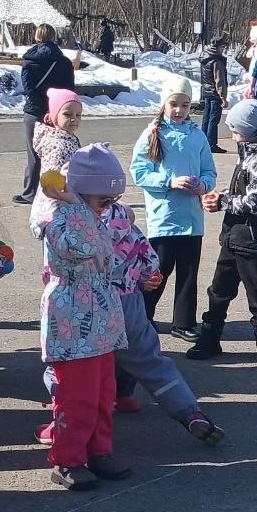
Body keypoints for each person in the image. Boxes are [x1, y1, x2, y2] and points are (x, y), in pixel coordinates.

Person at [40, 143, 129, 490]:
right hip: (72, 320)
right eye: (103, 200)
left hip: (100, 320)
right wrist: (75, 205)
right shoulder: (60, 219)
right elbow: (81, 247)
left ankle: (99, 450)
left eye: (111, 201)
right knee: (77, 396)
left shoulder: (91, 216)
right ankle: (68, 458)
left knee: (104, 393)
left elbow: (107, 253)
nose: (107, 207)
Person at [98, 199, 226, 442]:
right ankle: (189, 412)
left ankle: (66, 422)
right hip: (129, 302)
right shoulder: (125, 222)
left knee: (73, 364)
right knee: (150, 361)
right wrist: (143, 277)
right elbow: (151, 262)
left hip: (89, 304)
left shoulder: (76, 222)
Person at [186, 99, 257, 364]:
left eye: (234, 129)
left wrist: (222, 202)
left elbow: (256, 202)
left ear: (249, 131)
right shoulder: (250, 152)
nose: (231, 135)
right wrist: (223, 195)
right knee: (219, 289)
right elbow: (242, 190)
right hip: (234, 236)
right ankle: (210, 337)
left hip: (254, 240)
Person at [131, 76, 216, 342]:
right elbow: (139, 172)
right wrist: (169, 182)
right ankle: (142, 317)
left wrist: (202, 185)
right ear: (164, 104)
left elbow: (209, 171)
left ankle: (184, 322)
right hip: (164, 218)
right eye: (174, 104)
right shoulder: (152, 133)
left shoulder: (197, 136)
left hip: (192, 219)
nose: (179, 110)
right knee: (157, 271)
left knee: (189, 274)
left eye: (185, 104)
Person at [15, 23, 75, 204]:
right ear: (53, 36)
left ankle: (30, 193)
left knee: (34, 153)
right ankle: (57, 189)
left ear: (37, 36)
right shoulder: (64, 62)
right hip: (57, 112)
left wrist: (40, 103)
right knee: (58, 151)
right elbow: (69, 89)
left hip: (34, 111)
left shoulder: (29, 61)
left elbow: (29, 89)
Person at [28, 88, 84, 234]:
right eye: (67, 114)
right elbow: (51, 180)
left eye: (78, 115)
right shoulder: (58, 145)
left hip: (63, 202)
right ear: (54, 115)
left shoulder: (66, 137)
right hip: (55, 208)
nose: (74, 119)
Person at [199, 35, 229, 153]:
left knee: (206, 118)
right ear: (218, 47)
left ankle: (203, 142)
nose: (223, 50)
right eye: (223, 47)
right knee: (213, 120)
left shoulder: (205, 57)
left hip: (207, 91)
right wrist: (223, 97)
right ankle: (211, 144)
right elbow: (219, 80)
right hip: (215, 93)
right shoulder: (217, 61)